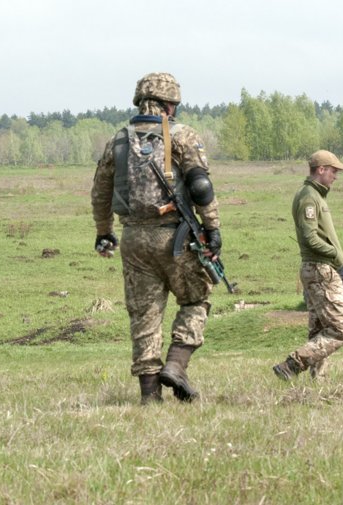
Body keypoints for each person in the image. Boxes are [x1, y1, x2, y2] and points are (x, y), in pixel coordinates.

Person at [90, 72, 221, 404]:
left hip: (133, 240)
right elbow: (201, 187)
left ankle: (150, 396)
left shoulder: (118, 141)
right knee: (196, 300)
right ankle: (176, 366)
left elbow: (100, 194)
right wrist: (212, 229)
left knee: (145, 316)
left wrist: (104, 233)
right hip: (174, 236)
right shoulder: (183, 136)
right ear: (169, 105)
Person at [273, 150, 343, 381]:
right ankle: (292, 365)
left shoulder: (315, 195)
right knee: (339, 331)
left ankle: (319, 380)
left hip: (316, 269)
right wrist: (336, 254)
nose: (336, 175)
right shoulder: (309, 197)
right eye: (333, 170)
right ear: (321, 170)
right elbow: (310, 238)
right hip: (320, 269)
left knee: (319, 330)